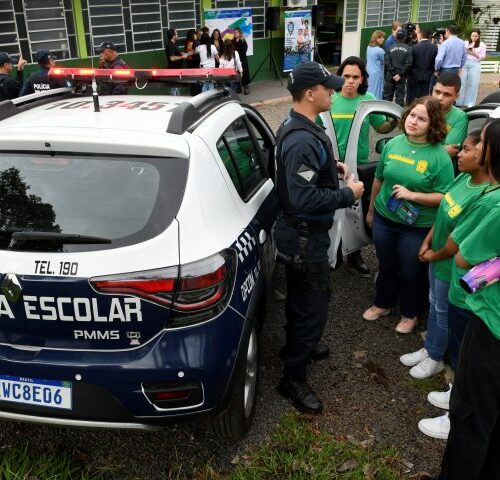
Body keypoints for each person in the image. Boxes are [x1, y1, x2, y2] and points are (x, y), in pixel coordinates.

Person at [274, 61, 364, 413]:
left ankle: (298, 347)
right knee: (313, 304)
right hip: (303, 237)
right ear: (309, 94)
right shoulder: (300, 139)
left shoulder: (299, 125)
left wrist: (331, 168)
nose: (334, 90)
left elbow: (301, 178)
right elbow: (301, 198)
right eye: (328, 87)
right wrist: (349, 194)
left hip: (301, 234)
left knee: (301, 297)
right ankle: (291, 378)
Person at [418, 120, 500, 443]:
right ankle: (456, 394)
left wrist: (437, 253)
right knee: (459, 345)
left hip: (477, 297)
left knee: (468, 354)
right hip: (465, 288)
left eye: (478, 144)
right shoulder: (472, 183)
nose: (468, 150)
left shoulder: (491, 199)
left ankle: (457, 414)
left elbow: (463, 253)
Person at [400, 130, 489, 379]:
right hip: (435, 254)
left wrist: (433, 255)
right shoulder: (464, 179)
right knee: (433, 303)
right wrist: (427, 241)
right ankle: (430, 348)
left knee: (442, 311)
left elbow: (458, 243)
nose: (459, 154)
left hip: (448, 263)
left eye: (467, 150)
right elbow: (443, 214)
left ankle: (436, 357)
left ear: (484, 158)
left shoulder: (483, 195)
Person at [363, 97, 454, 334]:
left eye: (422, 119)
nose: (414, 121)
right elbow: (379, 179)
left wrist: (413, 196)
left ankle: (410, 313)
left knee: (411, 271)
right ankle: (383, 303)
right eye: (412, 115)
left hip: (416, 226)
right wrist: (372, 210)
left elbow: (445, 197)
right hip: (385, 217)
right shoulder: (393, 144)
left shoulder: (439, 156)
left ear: (432, 124)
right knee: (386, 264)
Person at [327, 56, 397, 274]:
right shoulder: (330, 99)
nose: (350, 81)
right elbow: (316, 127)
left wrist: (394, 121)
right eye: (346, 76)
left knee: (357, 210)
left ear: (362, 79)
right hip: (333, 166)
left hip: (359, 165)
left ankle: (355, 255)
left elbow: (381, 129)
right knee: (334, 209)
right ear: (339, 76)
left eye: (355, 77)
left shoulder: (368, 100)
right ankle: (333, 252)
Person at [432, 73, 468, 164]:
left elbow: (450, 152)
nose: (440, 98)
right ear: (432, 89)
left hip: (441, 167)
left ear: (456, 96)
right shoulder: (422, 109)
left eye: (447, 95)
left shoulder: (460, 117)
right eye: (437, 92)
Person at [407, 28, 438, 105]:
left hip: (414, 74)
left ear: (420, 35)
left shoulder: (414, 47)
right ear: (429, 36)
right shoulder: (434, 47)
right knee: (424, 94)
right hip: (428, 74)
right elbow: (435, 61)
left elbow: (411, 62)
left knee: (412, 94)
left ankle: (411, 106)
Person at [456, 29, 487, 108]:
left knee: (472, 83)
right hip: (465, 63)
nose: (474, 37)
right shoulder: (466, 43)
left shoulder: (482, 44)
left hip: (475, 64)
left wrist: (474, 53)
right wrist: (467, 51)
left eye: (476, 36)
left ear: (479, 36)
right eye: (472, 36)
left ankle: (470, 102)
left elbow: (482, 56)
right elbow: (461, 52)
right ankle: (459, 101)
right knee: (462, 82)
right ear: (470, 36)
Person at [383, 29, 412, 107]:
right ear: (404, 37)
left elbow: (387, 62)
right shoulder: (409, 49)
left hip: (390, 76)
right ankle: (397, 118)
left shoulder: (389, 48)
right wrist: (399, 74)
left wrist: (394, 74)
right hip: (401, 78)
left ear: (396, 37)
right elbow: (409, 64)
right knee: (399, 99)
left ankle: (385, 117)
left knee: (387, 98)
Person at [165, 28, 189, 96]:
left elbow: (176, 54)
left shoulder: (174, 44)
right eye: (176, 33)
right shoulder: (170, 45)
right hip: (173, 73)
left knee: (177, 89)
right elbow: (172, 58)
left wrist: (184, 54)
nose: (177, 35)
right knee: (174, 91)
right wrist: (182, 57)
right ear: (173, 35)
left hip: (177, 72)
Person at [366, 30, 385, 99]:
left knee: (370, 89)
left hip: (369, 72)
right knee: (377, 91)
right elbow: (385, 60)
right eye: (382, 38)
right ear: (377, 38)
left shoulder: (368, 47)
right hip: (377, 73)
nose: (383, 39)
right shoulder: (380, 50)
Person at [233, 28, 250, 95]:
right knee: (236, 74)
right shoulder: (233, 41)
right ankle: (238, 87)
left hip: (242, 59)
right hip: (235, 60)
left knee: (244, 73)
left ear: (240, 33)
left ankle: (246, 87)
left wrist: (238, 55)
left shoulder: (243, 41)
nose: (235, 33)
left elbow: (244, 51)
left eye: (237, 32)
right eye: (234, 32)